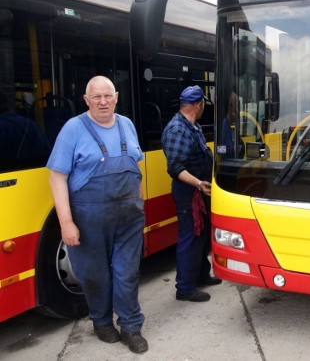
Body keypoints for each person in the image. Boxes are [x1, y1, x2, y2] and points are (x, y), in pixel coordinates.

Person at [47, 76, 148, 354]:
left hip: (128, 216)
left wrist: (139, 202)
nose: (103, 102)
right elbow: (57, 178)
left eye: (107, 96)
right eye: (96, 97)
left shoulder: (126, 124)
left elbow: (136, 168)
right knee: (94, 275)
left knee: (127, 273)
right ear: (86, 100)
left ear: (116, 96)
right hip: (88, 217)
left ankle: (131, 327)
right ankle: (102, 322)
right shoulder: (73, 129)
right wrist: (66, 223)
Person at [161, 85, 221, 303]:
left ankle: (201, 275)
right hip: (190, 193)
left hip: (199, 190)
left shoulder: (191, 126)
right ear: (199, 105)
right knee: (190, 237)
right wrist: (198, 184)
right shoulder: (178, 129)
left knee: (202, 237)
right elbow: (175, 168)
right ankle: (185, 288)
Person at [219, 90, 238, 158]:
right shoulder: (224, 124)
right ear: (231, 107)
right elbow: (219, 149)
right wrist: (231, 149)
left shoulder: (231, 124)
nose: (237, 109)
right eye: (236, 105)